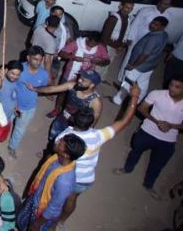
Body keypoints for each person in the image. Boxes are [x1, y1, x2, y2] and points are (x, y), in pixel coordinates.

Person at [53, 85, 139, 226]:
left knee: (56, 195)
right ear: (92, 122)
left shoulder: (64, 136)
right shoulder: (99, 135)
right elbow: (124, 121)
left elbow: (56, 151)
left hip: (65, 175)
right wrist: (134, 97)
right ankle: (61, 222)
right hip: (84, 179)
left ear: (73, 120)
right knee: (72, 199)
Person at [115, 77, 183, 200]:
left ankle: (148, 184)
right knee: (135, 151)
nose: (172, 88)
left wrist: (171, 125)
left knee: (157, 164)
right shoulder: (157, 94)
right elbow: (142, 108)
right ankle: (127, 169)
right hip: (147, 131)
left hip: (168, 140)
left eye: (177, 87)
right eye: (171, 85)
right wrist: (157, 122)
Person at [16, 134, 86, 231]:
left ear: (66, 154)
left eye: (60, 144)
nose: (57, 142)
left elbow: (54, 207)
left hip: (40, 212)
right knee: (22, 222)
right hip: (35, 198)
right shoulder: (56, 159)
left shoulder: (64, 181)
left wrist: (37, 224)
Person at [28, 70, 104, 141]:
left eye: (83, 80)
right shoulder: (72, 85)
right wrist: (35, 89)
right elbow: (51, 89)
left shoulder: (96, 102)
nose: (79, 80)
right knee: (53, 138)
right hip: (62, 118)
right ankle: (49, 150)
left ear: (92, 85)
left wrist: (83, 136)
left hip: (76, 128)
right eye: (80, 77)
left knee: (65, 146)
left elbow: (93, 123)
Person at [114, 17, 169, 105]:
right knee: (143, 84)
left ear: (162, 27)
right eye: (152, 22)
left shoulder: (154, 38)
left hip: (138, 66)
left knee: (128, 82)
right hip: (150, 65)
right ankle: (138, 101)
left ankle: (118, 99)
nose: (152, 25)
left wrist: (133, 65)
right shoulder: (164, 35)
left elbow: (144, 55)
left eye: (156, 24)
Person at [8, 46, 49, 159]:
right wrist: (13, 102)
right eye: (35, 59)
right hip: (12, 104)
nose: (38, 62)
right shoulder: (19, 69)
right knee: (5, 123)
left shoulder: (44, 74)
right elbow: (11, 85)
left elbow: (43, 89)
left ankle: (12, 146)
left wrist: (34, 89)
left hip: (29, 107)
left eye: (40, 60)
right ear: (28, 58)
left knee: (20, 129)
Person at [99, 1, 134, 78]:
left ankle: (101, 78)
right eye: (126, 7)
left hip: (115, 45)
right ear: (121, 6)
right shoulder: (114, 18)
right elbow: (105, 35)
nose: (128, 10)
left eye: (131, 8)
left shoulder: (127, 19)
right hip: (108, 45)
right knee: (101, 63)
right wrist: (104, 49)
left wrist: (121, 45)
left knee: (108, 63)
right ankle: (94, 80)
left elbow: (124, 34)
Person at [31, 15, 63, 80]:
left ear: (47, 23)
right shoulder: (51, 42)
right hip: (39, 67)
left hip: (31, 59)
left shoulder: (38, 29)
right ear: (57, 26)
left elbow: (31, 41)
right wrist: (48, 76)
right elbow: (47, 61)